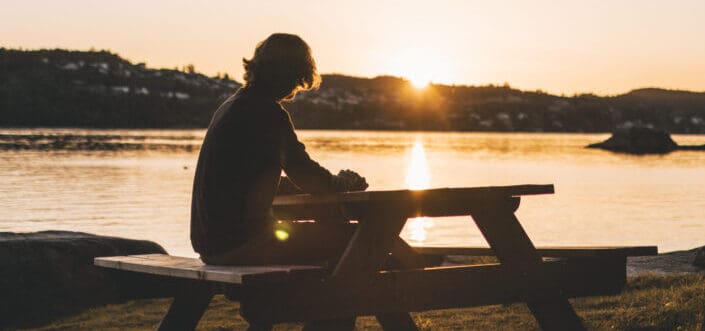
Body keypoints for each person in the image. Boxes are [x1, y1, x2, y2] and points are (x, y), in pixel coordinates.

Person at [191, 33, 368, 266]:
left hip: (211, 246)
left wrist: (330, 183)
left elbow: (251, 182)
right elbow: (307, 175)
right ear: (293, 73)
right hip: (244, 244)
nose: (297, 86)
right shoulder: (267, 112)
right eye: (298, 77)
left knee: (324, 234)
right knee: (359, 239)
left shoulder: (232, 106)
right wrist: (342, 184)